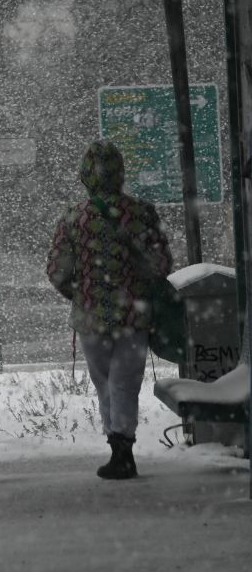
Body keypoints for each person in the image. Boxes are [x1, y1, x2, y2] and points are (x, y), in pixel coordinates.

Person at [46, 140, 172, 480]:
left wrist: (79, 292)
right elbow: (161, 264)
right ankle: (124, 447)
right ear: (120, 173)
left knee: (105, 383)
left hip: (91, 317)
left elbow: (57, 270)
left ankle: (117, 448)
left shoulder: (73, 218)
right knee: (125, 382)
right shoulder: (142, 213)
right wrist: (137, 283)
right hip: (133, 314)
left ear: (85, 176)